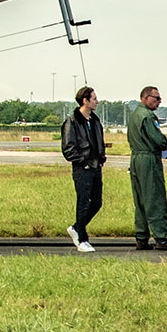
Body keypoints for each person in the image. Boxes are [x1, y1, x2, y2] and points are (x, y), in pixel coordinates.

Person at [125, 85, 167, 249]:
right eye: (156, 98)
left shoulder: (134, 116)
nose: (159, 102)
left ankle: (141, 237)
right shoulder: (147, 116)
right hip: (148, 159)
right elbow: (157, 138)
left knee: (140, 200)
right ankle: (161, 238)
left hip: (135, 159)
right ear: (145, 98)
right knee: (155, 198)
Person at [60, 85, 106, 253]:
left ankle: (76, 227)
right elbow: (68, 148)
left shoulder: (95, 121)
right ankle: (82, 239)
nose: (97, 102)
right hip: (82, 169)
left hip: (96, 167)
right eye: (94, 99)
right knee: (83, 202)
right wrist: (83, 162)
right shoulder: (72, 122)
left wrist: (101, 158)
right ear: (85, 101)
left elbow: (99, 141)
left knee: (97, 203)